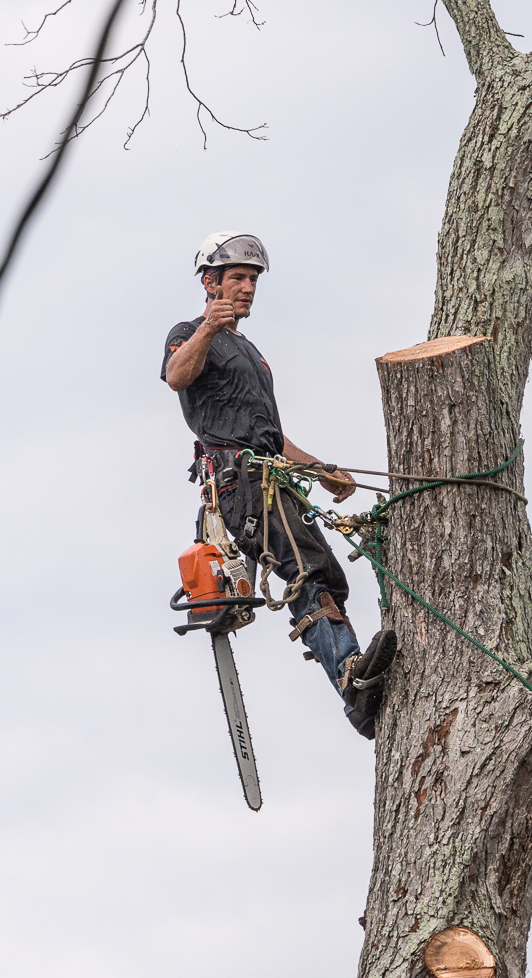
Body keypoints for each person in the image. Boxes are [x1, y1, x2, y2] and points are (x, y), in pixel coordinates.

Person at [161, 231, 396, 739]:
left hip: (269, 475)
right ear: (210, 282)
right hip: (238, 479)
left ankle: (356, 683)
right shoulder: (189, 332)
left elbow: (269, 434)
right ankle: (351, 679)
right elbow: (176, 376)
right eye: (237, 279)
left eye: (251, 280)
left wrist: (319, 468)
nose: (247, 288)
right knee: (304, 571)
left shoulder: (251, 353)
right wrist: (206, 328)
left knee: (326, 572)